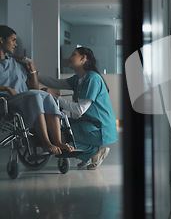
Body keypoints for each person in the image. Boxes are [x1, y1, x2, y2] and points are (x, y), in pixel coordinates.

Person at [39, 47, 117, 170]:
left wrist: (55, 97)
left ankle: (93, 151)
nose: (69, 58)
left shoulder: (92, 79)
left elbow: (80, 109)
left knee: (59, 135)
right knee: (59, 127)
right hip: (89, 124)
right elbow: (54, 83)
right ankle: (90, 153)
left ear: (83, 58)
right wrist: (33, 74)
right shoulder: (78, 78)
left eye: (73, 55)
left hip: (99, 128)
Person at [0, 25, 74, 155]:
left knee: (46, 95)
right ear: (1, 40)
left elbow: (34, 88)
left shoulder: (15, 64)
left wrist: (32, 67)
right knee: (35, 96)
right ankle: (46, 143)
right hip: (7, 101)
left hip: (26, 98)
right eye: (13, 40)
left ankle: (57, 141)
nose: (16, 45)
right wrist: (6, 88)